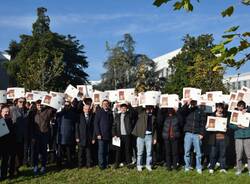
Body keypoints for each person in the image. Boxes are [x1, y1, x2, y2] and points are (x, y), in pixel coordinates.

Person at [180, 99, 205, 174]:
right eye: (192, 102)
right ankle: (187, 166)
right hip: (188, 134)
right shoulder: (187, 110)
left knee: (198, 152)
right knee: (186, 151)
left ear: (197, 102)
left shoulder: (200, 111)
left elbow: (203, 124)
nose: (193, 103)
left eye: (194, 102)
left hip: (197, 134)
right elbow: (181, 112)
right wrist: (187, 103)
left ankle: (199, 167)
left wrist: (201, 133)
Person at [31, 100, 55, 175]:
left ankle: (43, 166)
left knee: (44, 152)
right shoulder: (32, 112)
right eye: (38, 105)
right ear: (36, 105)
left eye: (41, 105)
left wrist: (49, 102)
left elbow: (54, 109)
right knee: (35, 151)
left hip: (44, 134)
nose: (39, 106)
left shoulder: (48, 111)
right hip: (35, 135)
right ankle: (35, 166)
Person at [132, 106, 157, 172]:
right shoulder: (141, 114)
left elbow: (154, 129)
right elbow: (139, 109)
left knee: (149, 153)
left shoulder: (154, 117)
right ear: (146, 109)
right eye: (148, 108)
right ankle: (139, 165)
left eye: (151, 109)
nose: (150, 110)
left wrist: (154, 138)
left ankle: (148, 165)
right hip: (141, 136)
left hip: (149, 136)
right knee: (140, 152)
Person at [229, 100, 250, 176]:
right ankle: (239, 170)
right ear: (237, 107)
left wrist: (247, 110)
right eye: (239, 106)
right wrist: (237, 126)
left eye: (242, 106)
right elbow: (230, 125)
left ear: (244, 107)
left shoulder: (248, 113)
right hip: (238, 136)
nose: (240, 108)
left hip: (247, 136)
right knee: (239, 154)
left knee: (249, 155)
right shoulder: (234, 114)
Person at [10, 97, 30, 171]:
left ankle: (17, 167)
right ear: (17, 102)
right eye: (20, 102)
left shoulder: (27, 111)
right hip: (15, 135)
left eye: (24, 102)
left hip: (24, 136)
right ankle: (13, 169)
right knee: (15, 154)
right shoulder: (12, 110)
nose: (22, 103)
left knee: (21, 153)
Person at [57, 100, 79, 167]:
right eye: (65, 105)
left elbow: (75, 123)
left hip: (69, 134)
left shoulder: (73, 112)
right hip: (61, 134)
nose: (67, 106)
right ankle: (59, 163)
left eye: (68, 105)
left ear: (70, 105)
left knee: (68, 150)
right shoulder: (61, 113)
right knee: (60, 150)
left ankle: (69, 163)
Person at [112, 103, 135, 169]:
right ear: (120, 109)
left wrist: (129, 105)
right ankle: (117, 164)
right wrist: (114, 135)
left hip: (127, 135)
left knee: (127, 150)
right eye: (122, 108)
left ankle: (128, 164)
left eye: (125, 108)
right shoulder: (117, 116)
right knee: (118, 151)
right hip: (119, 136)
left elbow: (133, 112)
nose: (123, 109)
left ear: (126, 109)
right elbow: (114, 126)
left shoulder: (129, 115)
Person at [207, 103, 228, 174]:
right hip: (214, 138)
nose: (220, 109)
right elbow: (208, 126)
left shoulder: (225, 116)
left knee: (223, 154)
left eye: (221, 108)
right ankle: (211, 167)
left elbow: (228, 126)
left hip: (223, 138)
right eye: (218, 108)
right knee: (213, 154)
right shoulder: (211, 116)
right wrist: (208, 127)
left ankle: (223, 168)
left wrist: (226, 127)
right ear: (216, 108)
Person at [94, 99, 113, 170]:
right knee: (101, 151)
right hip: (101, 135)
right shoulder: (99, 112)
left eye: (107, 104)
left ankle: (106, 163)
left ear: (108, 105)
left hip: (108, 135)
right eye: (104, 104)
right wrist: (98, 134)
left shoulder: (110, 112)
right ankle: (101, 165)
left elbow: (111, 124)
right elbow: (96, 124)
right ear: (102, 105)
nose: (105, 105)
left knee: (107, 151)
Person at [75, 104, 95, 168]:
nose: (87, 110)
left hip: (89, 137)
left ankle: (88, 164)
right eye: (86, 109)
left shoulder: (92, 116)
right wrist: (77, 137)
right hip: (81, 137)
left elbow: (94, 128)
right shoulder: (79, 116)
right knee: (80, 153)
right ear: (83, 109)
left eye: (88, 109)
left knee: (88, 152)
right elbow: (77, 127)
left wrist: (93, 138)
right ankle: (80, 164)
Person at [0, 105, 15, 180]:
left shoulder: (10, 121)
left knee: (6, 160)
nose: (7, 113)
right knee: (3, 161)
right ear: (1, 112)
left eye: (8, 112)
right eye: (5, 112)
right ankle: (2, 175)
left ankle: (7, 175)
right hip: (1, 144)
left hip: (9, 144)